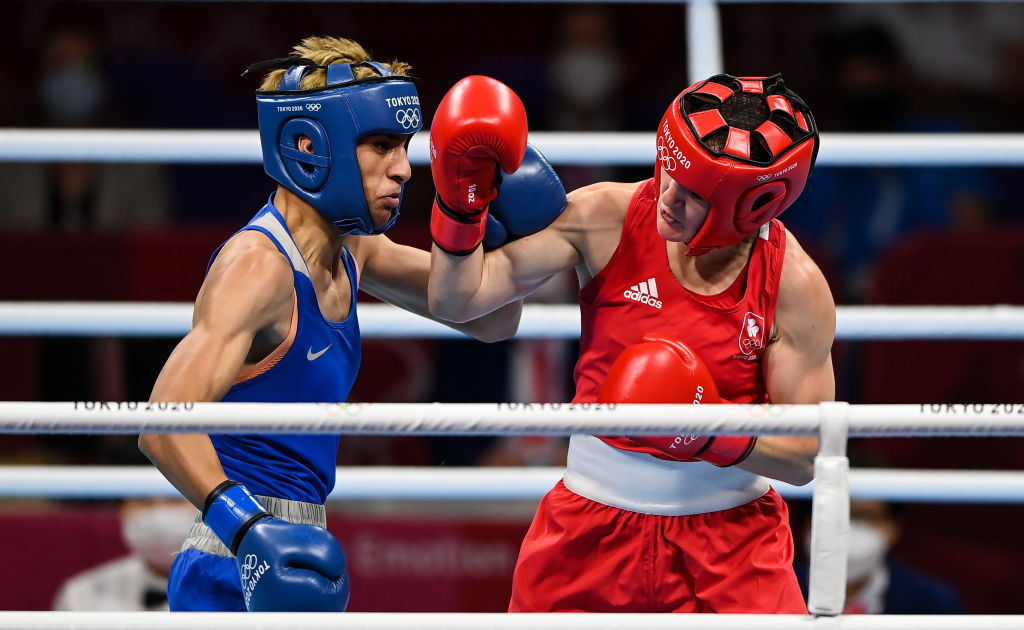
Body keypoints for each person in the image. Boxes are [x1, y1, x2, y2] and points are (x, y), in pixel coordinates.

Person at [138, 36, 530, 613]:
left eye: (404, 147)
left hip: (302, 543)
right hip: (233, 555)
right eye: (381, 146)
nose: (404, 169)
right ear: (309, 144)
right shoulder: (258, 268)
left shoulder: (355, 249)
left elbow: (492, 316)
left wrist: (468, 213)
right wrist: (247, 529)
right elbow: (161, 424)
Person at [427, 73, 835, 612]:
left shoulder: (793, 286)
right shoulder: (606, 217)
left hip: (732, 548)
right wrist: (460, 208)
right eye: (668, 170)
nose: (667, 198)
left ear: (755, 206)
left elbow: (805, 456)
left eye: (693, 195)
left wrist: (706, 432)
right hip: (588, 531)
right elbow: (459, 301)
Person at [797, 499, 965, 614]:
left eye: (865, 517)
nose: (847, 529)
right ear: (807, 524)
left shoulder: (933, 604)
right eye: (832, 516)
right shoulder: (781, 591)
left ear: (893, 528)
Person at [53, 498, 195, 611]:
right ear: (123, 508)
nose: (159, 516)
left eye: (174, 499)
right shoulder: (82, 593)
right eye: (144, 500)